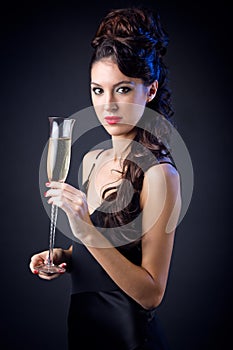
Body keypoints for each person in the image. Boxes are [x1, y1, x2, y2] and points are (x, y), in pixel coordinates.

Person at [30, 6, 181, 350]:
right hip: (83, 334)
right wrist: (64, 256)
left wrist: (85, 229)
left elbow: (152, 294)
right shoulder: (90, 160)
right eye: (98, 90)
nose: (108, 104)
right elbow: (100, 253)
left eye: (123, 89)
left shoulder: (160, 174)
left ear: (151, 90)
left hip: (127, 340)